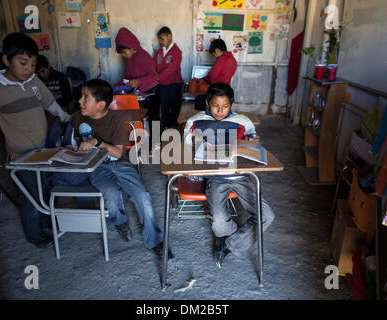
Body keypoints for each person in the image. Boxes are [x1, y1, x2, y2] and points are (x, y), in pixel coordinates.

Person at [0, 32, 70, 248]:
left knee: (46, 186)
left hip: (44, 148)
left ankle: (47, 220)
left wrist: (67, 118)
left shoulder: (35, 82)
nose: (29, 69)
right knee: (30, 194)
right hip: (21, 154)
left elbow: (51, 105)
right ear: (6, 60)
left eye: (33, 64)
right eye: (23, 63)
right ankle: (34, 232)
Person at [73, 78, 173, 260]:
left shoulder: (115, 119)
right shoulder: (77, 118)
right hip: (96, 166)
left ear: (101, 104)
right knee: (110, 194)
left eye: (85, 97)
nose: (80, 101)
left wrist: (97, 142)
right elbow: (74, 144)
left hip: (120, 163)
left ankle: (155, 241)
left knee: (143, 196)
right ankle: (120, 221)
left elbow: (118, 153)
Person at [183, 82, 275, 268]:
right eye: (216, 106)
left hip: (241, 175)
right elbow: (185, 141)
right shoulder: (196, 120)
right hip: (215, 176)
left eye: (225, 106)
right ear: (208, 103)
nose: (220, 111)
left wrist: (253, 141)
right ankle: (230, 235)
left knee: (267, 216)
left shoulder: (242, 121)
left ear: (231, 105)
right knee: (218, 222)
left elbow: (252, 139)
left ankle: (228, 244)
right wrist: (195, 139)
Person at [115, 27, 160, 123]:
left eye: (124, 52)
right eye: (121, 53)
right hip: (141, 93)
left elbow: (154, 76)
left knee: (154, 118)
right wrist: (117, 84)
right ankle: (142, 136)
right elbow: (128, 76)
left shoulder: (143, 56)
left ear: (131, 47)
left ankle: (156, 138)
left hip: (153, 91)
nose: (123, 55)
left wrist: (138, 81)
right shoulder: (129, 59)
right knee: (140, 117)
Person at [188, 39, 237, 110]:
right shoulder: (233, 60)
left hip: (216, 90)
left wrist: (202, 79)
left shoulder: (221, 59)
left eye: (214, 54)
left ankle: (192, 109)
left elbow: (211, 77)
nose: (215, 57)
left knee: (194, 82)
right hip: (226, 89)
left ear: (217, 50)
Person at [153, 26, 183, 129]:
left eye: (162, 38)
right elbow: (154, 65)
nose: (161, 41)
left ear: (169, 36)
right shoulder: (159, 52)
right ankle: (165, 127)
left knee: (175, 107)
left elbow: (171, 69)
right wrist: (152, 76)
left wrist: (157, 78)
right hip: (163, 85)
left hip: (174, 83)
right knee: (164, 107)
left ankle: (174, 127)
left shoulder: (176, 52)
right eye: (159, 39)